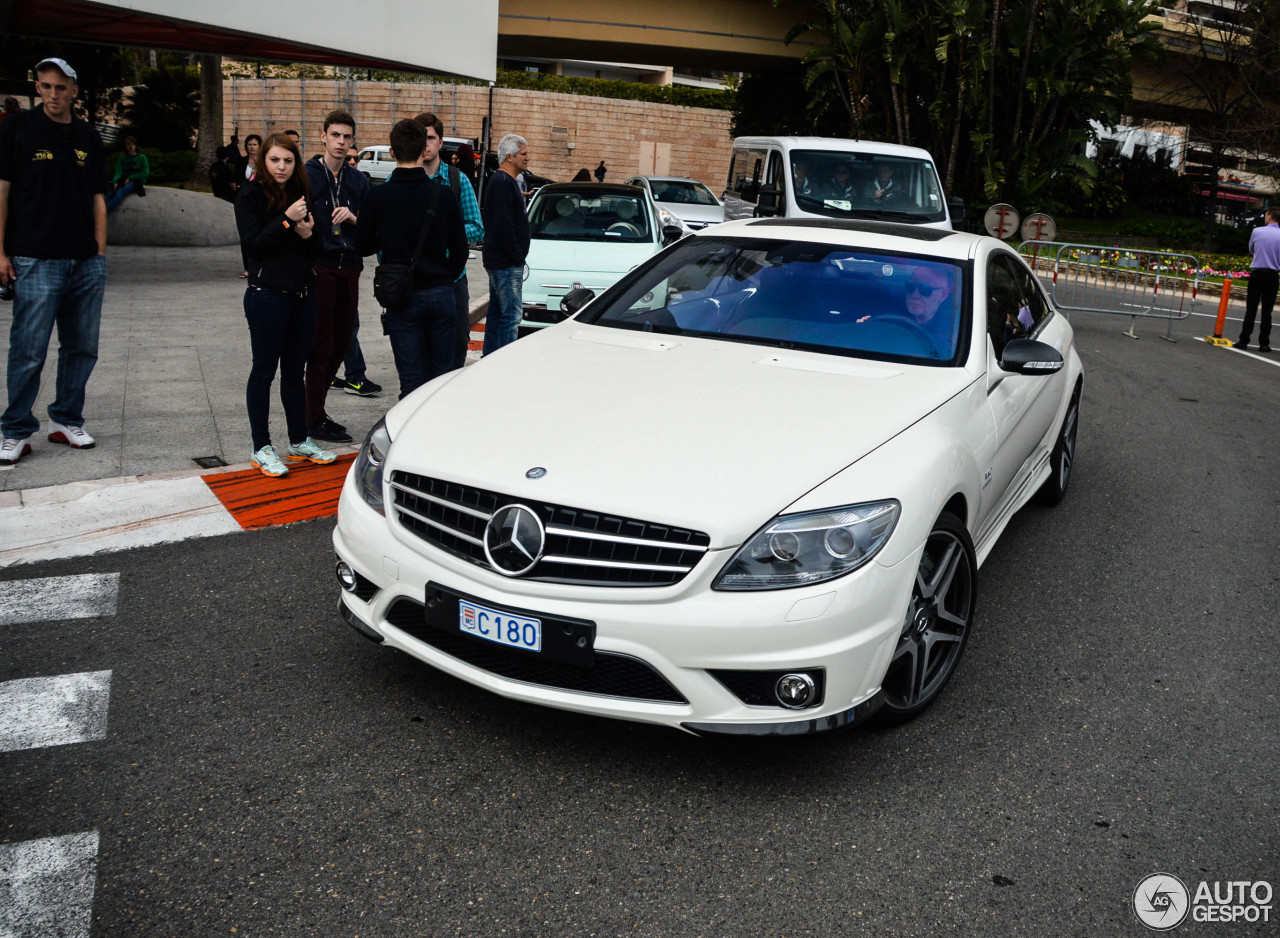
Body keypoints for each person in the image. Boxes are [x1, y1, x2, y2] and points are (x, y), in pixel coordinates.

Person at [0, 57, 108, 465]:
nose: (52, 94)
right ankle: (15, 429)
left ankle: (65, 419)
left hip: (84, 261)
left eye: (61, 87)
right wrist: (1, 252)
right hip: (34, 257)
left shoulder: (88, 136)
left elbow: (99, 197)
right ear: (38, 88)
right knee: (28, 349)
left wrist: (99, 254)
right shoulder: (18, 128)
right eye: (45, 86)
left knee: (81, 347)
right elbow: (3, 192)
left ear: (74, 90)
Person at [233, 132, 335, 478]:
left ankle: (299, 440)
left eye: (288, 161)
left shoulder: (301, 195)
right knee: (264, 371)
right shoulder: (249, 195)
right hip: (267, 295)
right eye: (275, 159)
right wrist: (287, 221)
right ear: (263, 160)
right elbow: (254, 248)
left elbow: (316, 250)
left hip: (303, 295)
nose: (281, 167)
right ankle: (261, 447)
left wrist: (307, 234)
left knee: (294, 372)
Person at [355, 119, 467, 398]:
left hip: (400, 294)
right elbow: (462, 250)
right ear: (422, 150)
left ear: (392, 152)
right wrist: (445, 274)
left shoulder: (378, 196)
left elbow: (362, 245)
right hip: (440, 291)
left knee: (411, 380)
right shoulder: (442, 194)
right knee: (441, 379)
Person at [302, 109, 370, 443]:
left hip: (350, 265)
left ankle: (314, 410)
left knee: (343, 341)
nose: (341, 142)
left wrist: (354, 218)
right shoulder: (308, 175)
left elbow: (373, 228)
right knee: (322, 344)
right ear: (324, 137)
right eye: (336, 136)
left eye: (347, 137)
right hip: (320, 265)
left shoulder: (357, 179)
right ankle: (312, 418)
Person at [415, 112, 485, 370]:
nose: (425, 144)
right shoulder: (400, 180)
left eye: (430, 138)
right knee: (417, 354)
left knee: (455, 350)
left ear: (440, 142)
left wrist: (444, 235)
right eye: (420, 138)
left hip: (451, 281)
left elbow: (477, 228)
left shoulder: (457, 180)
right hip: (415, 282)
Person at [481, 133, 531, 356]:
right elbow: (504, 225)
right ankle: (502, 363)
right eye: (524, 154)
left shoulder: (504, 182)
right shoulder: (502, 182)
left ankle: (490, 358)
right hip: (506, 263)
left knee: (498, 314)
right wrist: (517, 256)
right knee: (511, 316)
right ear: (509, 157)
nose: (528, 158)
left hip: (502, 261)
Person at [1236, 206, 1280, 353]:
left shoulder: (1257, 231)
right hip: (1273, 275)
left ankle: (1244, 340)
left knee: (1251, 309)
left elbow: (1251, 249)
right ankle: (1264, 343)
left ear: (1268, 217)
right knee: (1267, 311)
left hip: (1257, 273)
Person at [899, 265, 957, 358]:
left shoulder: (953, 329)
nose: (914, 295)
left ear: (943, 295)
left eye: (925, 289)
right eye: (911, 287)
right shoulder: (891, 312)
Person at [104, 136, 149, 212]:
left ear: (135, 145)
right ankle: (95, 211)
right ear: (125, 147)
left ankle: (105, 212)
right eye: (128, 144)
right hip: (123, 180)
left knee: (120, 191)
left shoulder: (142, 158)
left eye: (132, 144)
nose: (130, 146)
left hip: (135, 181)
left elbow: (145, 173)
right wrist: (115, 181)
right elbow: (118, 171)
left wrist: (130, 178)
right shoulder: (123, 158)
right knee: (111, 192)